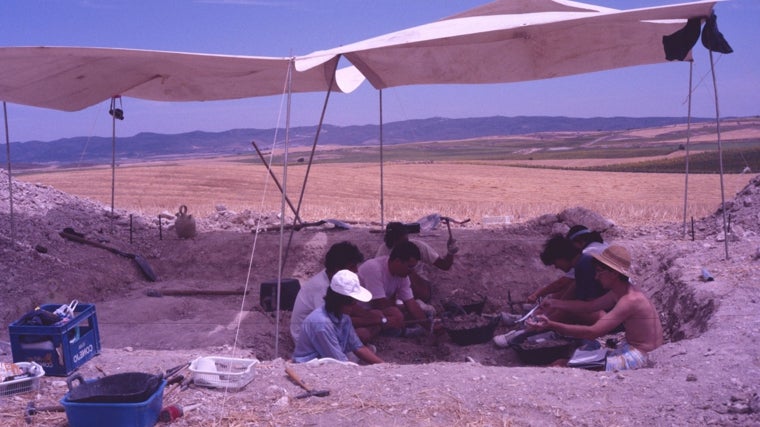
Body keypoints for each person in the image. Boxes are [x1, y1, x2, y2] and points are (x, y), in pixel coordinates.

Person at [526, 245, 664, 371]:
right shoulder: (620, 291)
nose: (596, 277)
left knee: (562, 364)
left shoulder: (630, 300)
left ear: (614, 273)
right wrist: (555, 303)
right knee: (574, 358)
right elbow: (589, 306)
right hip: (633, 349)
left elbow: (592, 332)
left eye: (599, 272)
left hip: (640, 357)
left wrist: (551, 324)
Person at [292, 270, 383, 364]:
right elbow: (339, 362)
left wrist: (384, 366)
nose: (354, 305)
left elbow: (358, 347)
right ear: (339, 301)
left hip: (328, 362)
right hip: (309, 366)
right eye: (351, 302)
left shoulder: (343, 317)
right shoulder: (322, 323)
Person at [353, 240, 430, 341]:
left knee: (418, 312)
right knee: (395, 314)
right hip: (358, 312)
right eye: (410, 267)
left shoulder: (402, 275)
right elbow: (379, 304)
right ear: (398, 261)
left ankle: (388, 328)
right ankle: (397, 331)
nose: (411, 271)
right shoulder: (374, 268)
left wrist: (430, 326)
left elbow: (411, 303)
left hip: (375, 311)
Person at [290, 241, 364, 343]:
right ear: (337, 269)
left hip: (326, 326)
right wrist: (373, 320)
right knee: (362, 333)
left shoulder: (336, 280)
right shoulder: (321, 287)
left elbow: (350, 309)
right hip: (309, 338)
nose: (356, 270)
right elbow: (331, 322)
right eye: (352, 266)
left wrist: (376, 316)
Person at [376, 221, 456, 303]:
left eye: (406, 241)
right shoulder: (384, 250)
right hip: (393, 283)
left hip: (416, 284)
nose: (405, 245)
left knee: (407, 272)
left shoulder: (418, 246)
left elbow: (444, 265)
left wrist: (450, 252)